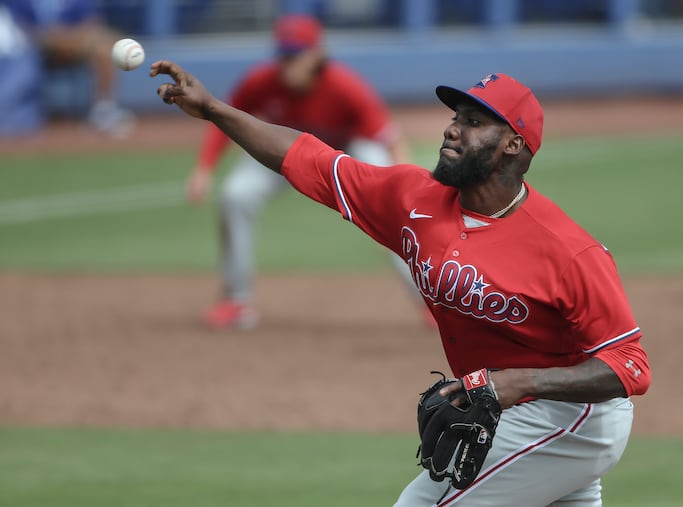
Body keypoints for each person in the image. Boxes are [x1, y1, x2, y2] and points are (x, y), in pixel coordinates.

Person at [151, 60, 651, 506]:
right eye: (455, 118)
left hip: (573, 420)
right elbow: (308, 159)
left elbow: (630, 367)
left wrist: (515, 383)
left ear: (512, 145)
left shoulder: (567, 250)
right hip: (516, 414)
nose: (452, 130)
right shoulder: (415, 198)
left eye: (473, 123)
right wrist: (215, 108)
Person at [185, 14, 419, 330]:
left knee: (395, 208)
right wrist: (204, 169)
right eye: (284, 54)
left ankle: (430, 303)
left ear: (317, 54)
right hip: (283, 157)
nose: (288, 63)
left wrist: (407, 189)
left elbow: (390, 139)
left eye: (296, 54)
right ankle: (236, 300)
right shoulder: (260, 81)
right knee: (235, 194)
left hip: (344, 157)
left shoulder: (344, 86)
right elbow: (222, 118)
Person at [4, 0, 134, 136]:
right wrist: (50, 36)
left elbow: (92, 23)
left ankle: (103, 111)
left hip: (70, 43)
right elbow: (15, 24)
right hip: (27, 48)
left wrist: (68, 37)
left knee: (105, 46)